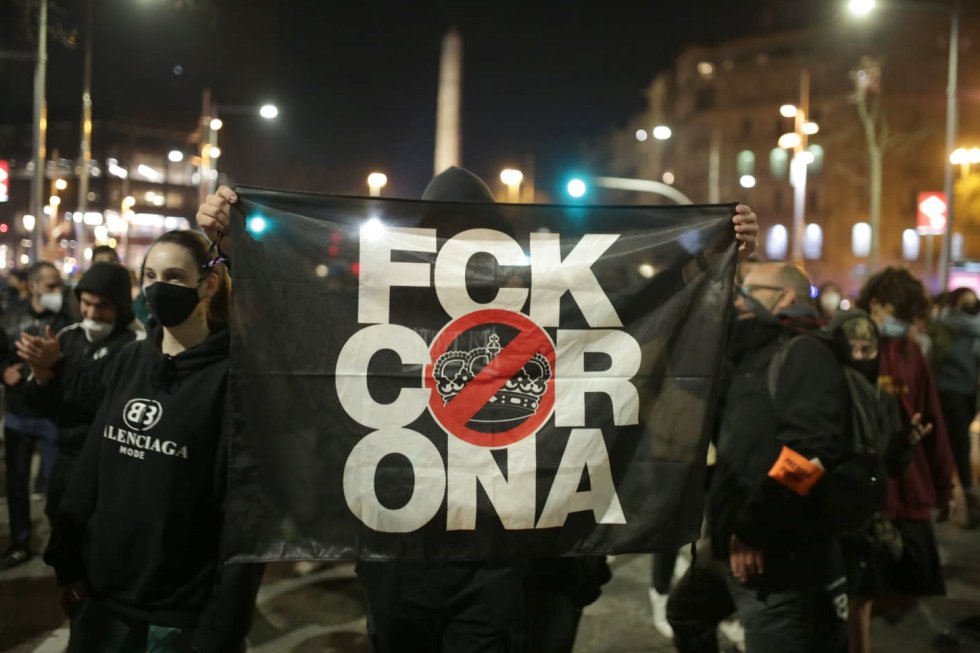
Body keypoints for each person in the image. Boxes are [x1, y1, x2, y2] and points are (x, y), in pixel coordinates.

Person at [195, 173, 759, 653]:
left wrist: (717, 263)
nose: (452, 242)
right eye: (439, 228)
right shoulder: (368, 300)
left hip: (520, 564)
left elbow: (649, 330)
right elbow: (276, 333)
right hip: (403, 557)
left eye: (467, 227)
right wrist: (222, 247)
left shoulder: (558, 299)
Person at [44, 230, 263, 652]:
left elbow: (242, 513)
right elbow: (93, 466)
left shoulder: (232, 380)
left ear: (208, 284)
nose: (158, 287)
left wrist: (225, 620)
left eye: (174, 276)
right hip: (102, 600)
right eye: (150, 275)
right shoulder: (130, 359)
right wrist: (68, 560)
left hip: (180, 616)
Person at [708, 261, 849, 650]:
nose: (739, 299)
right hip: (734, 541)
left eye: (752, 290)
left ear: (787, 297)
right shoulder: (756, 350)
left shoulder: (805, 353)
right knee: (686, 613)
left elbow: (810, 455)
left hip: (775, 555)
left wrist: (756, 528)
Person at [855, 268, 954, 623]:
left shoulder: (912, 354)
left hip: (909, 489)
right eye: (898, 315)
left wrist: (946, 486)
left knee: (913, 584)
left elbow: (933, 422)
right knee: (861, 593)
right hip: (866, 491)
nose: (903, 324)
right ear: (876, 305)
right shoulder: (851, 350)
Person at [15, 262, 142, 523]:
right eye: (86, 303)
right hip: (65, 455)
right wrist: (41, 376)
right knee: (60, 525)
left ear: (120, 306)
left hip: (105, 463)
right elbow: (40, 402)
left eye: (102, 305)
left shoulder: (134, 345)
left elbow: (104, 401)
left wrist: (58, 367)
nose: (92, 313)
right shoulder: (68, 336)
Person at [0, 261, 73, 570]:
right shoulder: (8, 319)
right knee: (17, 485)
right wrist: (3, 371)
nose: (58, 291)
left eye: (59, 285)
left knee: (57, 485)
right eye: (52, 285)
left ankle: (60, 545)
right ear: (33, 287)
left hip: (52, 415)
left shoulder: (65, 322)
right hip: (18, 413)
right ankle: (20, 541)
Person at [930, 287, 980, 528]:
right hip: (947, 391)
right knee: (957, 444)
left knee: (957, 444)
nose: (969, 305)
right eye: (965, 301)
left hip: (968, 393)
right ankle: (962, 497)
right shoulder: (941, 324)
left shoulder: (977, 328)